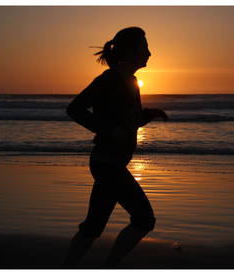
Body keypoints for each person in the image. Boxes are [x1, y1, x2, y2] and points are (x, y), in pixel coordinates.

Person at [63, 27, 168, 268]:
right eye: (144, 47)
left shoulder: (133, 82)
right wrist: (108, 128)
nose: (149, 53)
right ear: (130, 51)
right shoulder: (108, 80)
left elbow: (130, 120)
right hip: (106, 163)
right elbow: (74, 109)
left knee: (92, 228)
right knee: (144, 219)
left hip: (113, 163)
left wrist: (150, 114)